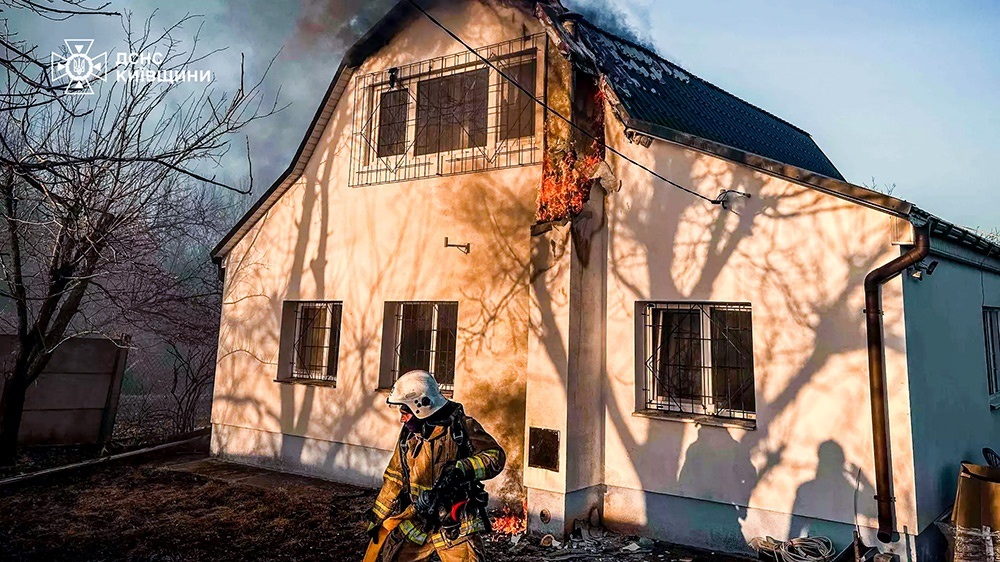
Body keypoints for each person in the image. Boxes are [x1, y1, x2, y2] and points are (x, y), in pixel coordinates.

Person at [362, 370, 506, 562]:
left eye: (405, 413)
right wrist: (377, 517)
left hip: (455, 524)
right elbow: (395, 478)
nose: (402, 419)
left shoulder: (461, 427)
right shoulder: (408, 436)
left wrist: (462, 468)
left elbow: (495, 457)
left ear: (420, 407)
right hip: (418, 521)